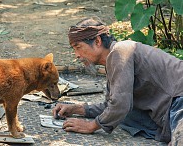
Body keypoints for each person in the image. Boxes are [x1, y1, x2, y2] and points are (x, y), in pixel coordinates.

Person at [52, 16, 183, 145]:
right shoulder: (114, 59)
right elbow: (112, 106)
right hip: (169, 109)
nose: (77, 55)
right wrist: (77, 109)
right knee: (124, 117)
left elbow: (120, 104)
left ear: (97, 41)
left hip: (179, 100)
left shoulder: (120, 51)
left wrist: (91, 126)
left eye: (78, 47)